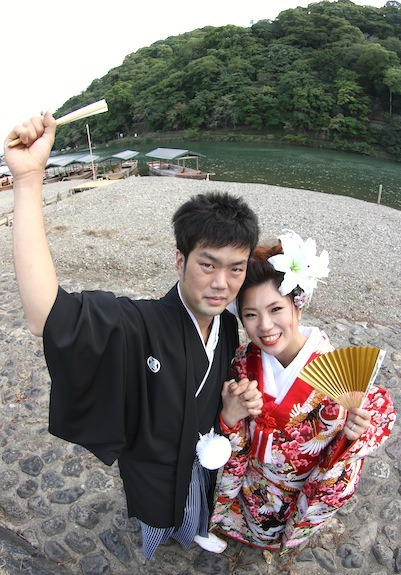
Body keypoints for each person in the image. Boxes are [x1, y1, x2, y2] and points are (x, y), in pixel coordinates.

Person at [4, 113, 262, 559]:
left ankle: (197, 526)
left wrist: (230, 408)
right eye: (208, 264)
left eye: (235, 268)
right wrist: (28, 181)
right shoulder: (138, 323)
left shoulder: (228, 326)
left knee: (196, 505)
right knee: (159, 518)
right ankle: (164, 535)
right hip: (155, 467)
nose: (222, 283)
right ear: (180, 261)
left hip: (204, 457)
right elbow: (46, 316)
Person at [211, 230, 396, 552]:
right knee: (248, 515)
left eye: (276, 309)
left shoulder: (340, 376)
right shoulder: (243, 361)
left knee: (279, 524)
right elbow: (236, 434)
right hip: (252, 480)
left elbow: (356, 438)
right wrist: (230, 415)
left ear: (298, 304)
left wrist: (355, 434)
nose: (265, 326)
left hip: (296, 488)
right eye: (251, 315)